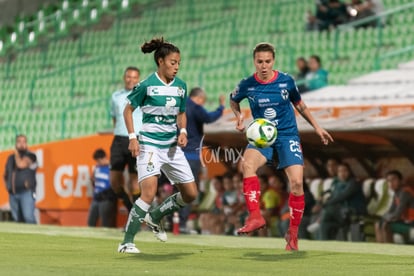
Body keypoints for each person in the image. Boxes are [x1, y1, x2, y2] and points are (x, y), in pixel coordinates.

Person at [229, 42, 333, 251]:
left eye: (268, 61)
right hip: (262, 137)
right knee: (246, 166)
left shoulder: (286, 81)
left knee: (296, 183)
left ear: (273, 61)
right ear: (254, 62)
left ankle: (293, 234)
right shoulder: (247, 84)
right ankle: (255, 217)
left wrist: (317, 127)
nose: (264, 65)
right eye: (260, 61)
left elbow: (300, 104)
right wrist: (239, 117)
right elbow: (234, 100)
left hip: (287, 136)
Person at [118, 37, 198, 254]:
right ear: (161, 61)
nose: (176, 67)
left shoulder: (181, 87)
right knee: (148, 193)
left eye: (179, 63)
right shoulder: (146, 85)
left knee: (191, 194)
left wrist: (182, 131)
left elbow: (181, 113)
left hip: (172, 147)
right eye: (173, 62)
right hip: (150, 146)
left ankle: (155, 216)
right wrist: (133, 137)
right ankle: (127, 242)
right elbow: (128, 110)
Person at [181, 86, 225, 231]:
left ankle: (171, 220)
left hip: (176, 154)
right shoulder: (195, 107)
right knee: (190, 190)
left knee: (177, 188)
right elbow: (209, 118)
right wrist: (221, 107)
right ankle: (182, 223)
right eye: (203, 101)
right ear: (199, 98)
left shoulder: (180, 104)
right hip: (191, 155)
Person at [110, 66, 142, 212]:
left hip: (136, 140)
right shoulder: (115, 96)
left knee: (134, 181)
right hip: (118, 140)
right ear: (124, 78)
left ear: (138, 79)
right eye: (129, 77)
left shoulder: (143, 96)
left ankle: (134, 217)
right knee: (114, 181)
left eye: (135, 77)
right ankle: (130, 209)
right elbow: (114, 119)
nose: (131, 80)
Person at [318, 162, 366, 240]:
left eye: (345, 171)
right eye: (340, 171)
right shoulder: (337, 185)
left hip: (353, 211)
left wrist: (325, 204)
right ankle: (323, 245)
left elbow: (342, 197)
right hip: (340, 213)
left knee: (328, 209)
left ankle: (318, 221)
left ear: (349, 172)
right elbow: (332, 197)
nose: (342, 173)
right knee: (325, 224)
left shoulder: (353, 183)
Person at [3, 134, 37, 224]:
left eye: (23, 142)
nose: (21, 144)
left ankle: (36, 235)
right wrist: (8, 186)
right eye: (19, 142)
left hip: (26, 192)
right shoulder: (10, 158)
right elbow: (5, 174)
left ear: (26, 143)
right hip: (13, 194)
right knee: (17, 219)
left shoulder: (31, 156)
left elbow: (21, 164)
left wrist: (16, 154)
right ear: (16, 144)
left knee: (28, 217)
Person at [375, 170, 414, 243]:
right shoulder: (396, 193)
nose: (391, 183)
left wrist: (387, 218)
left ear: (401, 181)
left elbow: (396, 215)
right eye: (389, 181)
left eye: (394, 179)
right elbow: (390, 211)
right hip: (405, 222)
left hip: (411, 223)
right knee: (378, 223)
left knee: (386, 225)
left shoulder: (405, 192)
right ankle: (380, 251)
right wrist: (386, 217)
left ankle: (389, 251)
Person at [87, 149, 117, 228]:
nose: (98, 162)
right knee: (91, 221)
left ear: (104, 158)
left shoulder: (111, 167)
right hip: (96, 197)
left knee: (105, 222)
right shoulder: (97, 167)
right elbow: (92, 178)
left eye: (99, 160)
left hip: (106, 198)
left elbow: (116, 182)